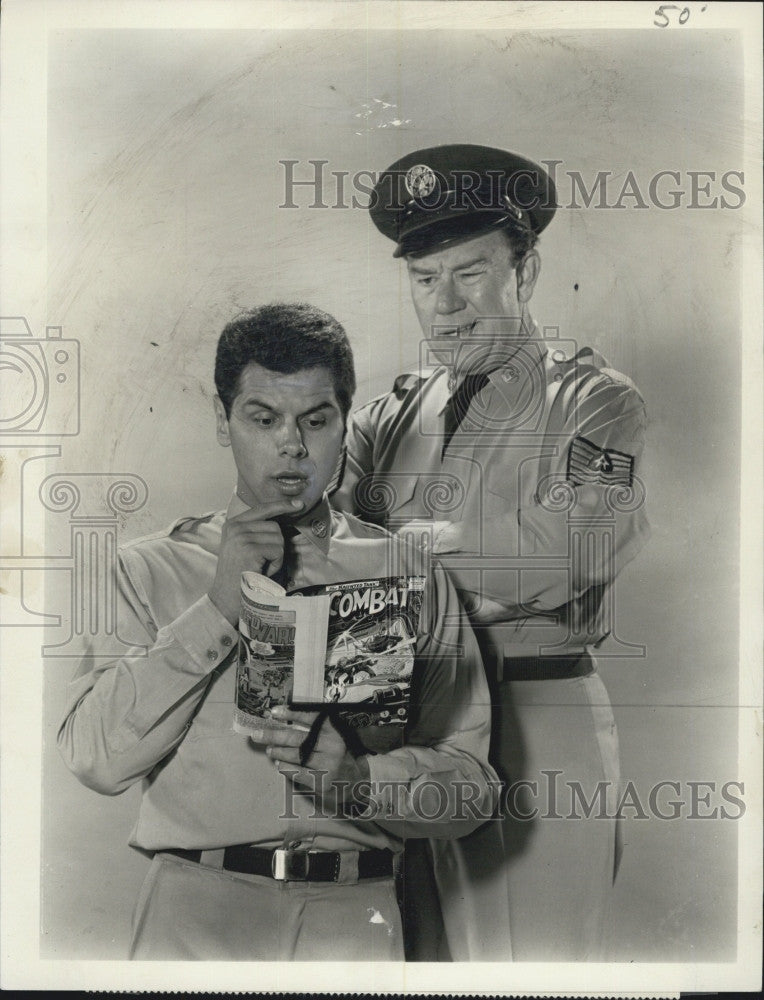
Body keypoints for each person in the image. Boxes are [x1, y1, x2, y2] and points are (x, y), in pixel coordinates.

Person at [57, 302, 498, 962]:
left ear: (346, 425)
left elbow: (472, 788)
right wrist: (216, 606)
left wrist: (361, 781)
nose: (291, 445)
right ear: (222, 419)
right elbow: (93, 758)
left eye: (315, 421)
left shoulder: (410, 573)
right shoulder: (145, 570)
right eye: (262, 419)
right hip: (194, 912)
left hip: (356, 918)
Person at [333, 144, 650, 960]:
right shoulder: (388, 412)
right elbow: (333, 561)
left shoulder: (592, 398)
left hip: (534, 721)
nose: (444, 304)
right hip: (397, 729)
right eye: (423, 278)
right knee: (408, 955)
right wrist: (460, 565)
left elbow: (575, 552)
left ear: (528, 270)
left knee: (522, 964)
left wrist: (407, 564)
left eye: (470, 274)